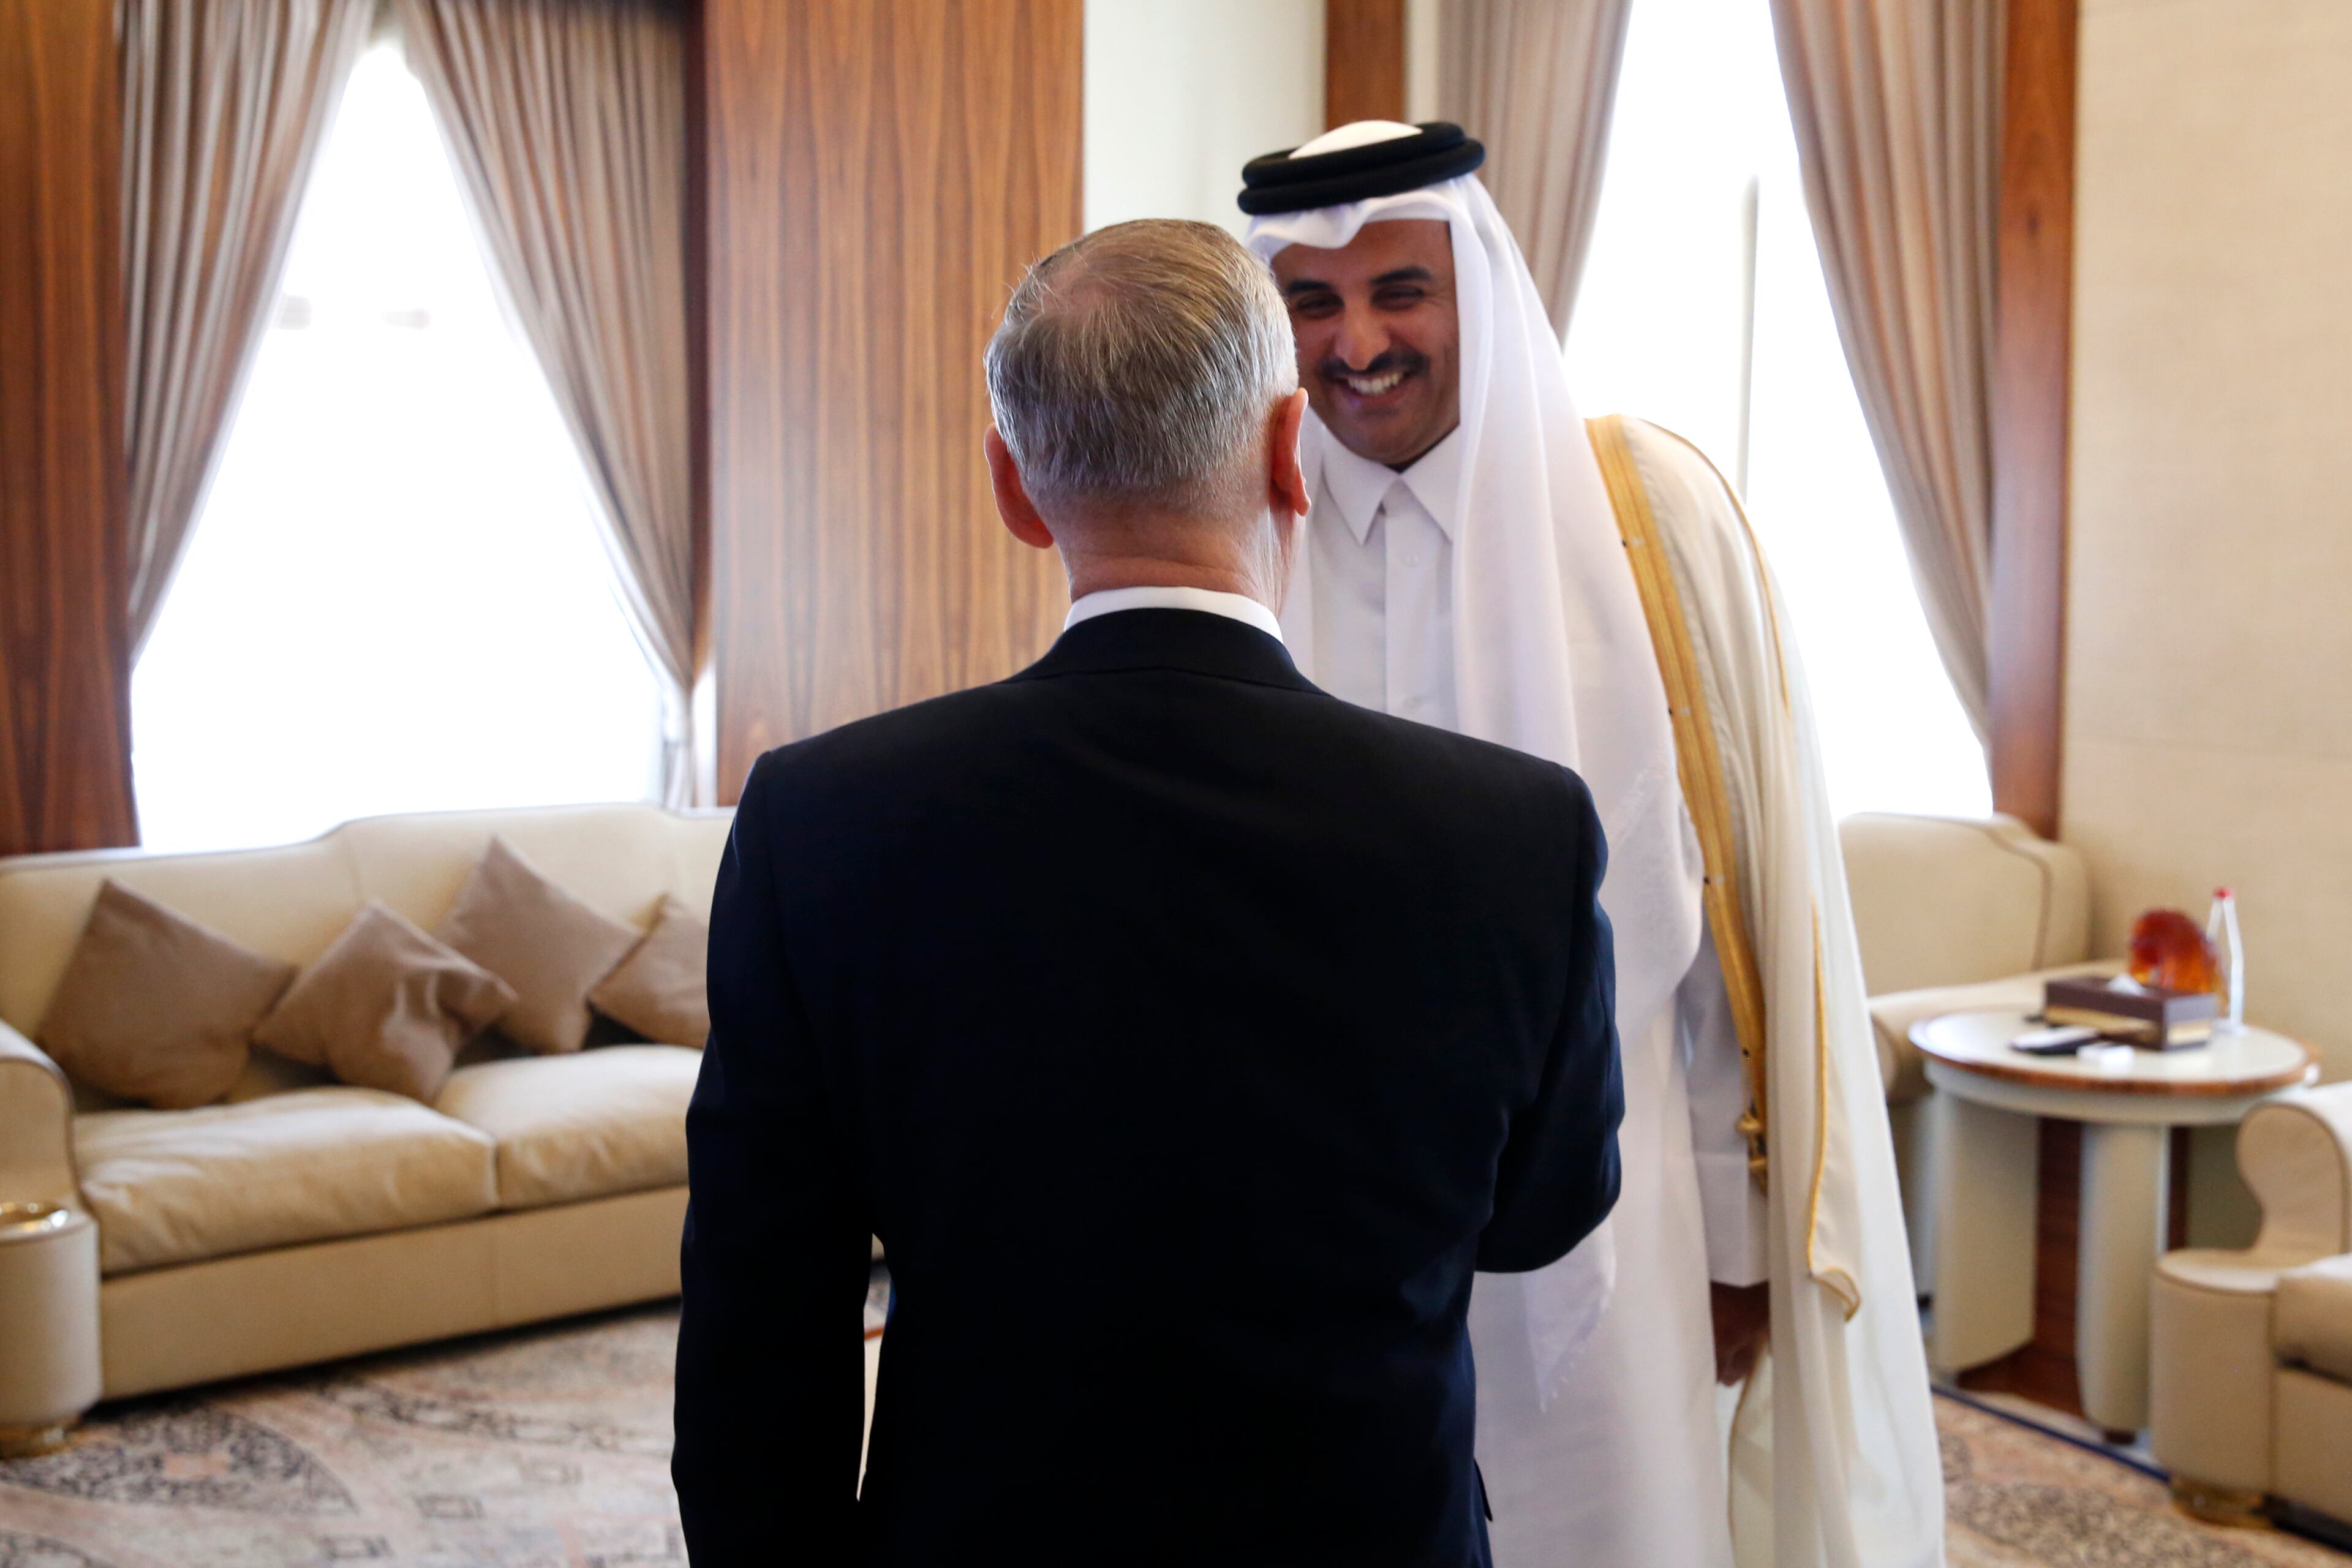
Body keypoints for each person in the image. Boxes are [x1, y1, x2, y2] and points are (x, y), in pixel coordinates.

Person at [671, 217, 1626, 1568]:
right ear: (1291, 452)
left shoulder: (821, 818)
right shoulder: (1518, 832)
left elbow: (762, 1313)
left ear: (1013, 485)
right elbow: (1542, 1213)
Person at [1237, 122, 1945, 1568]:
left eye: (1400, 291)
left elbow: (1722, 922)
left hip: (1614, 1217)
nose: (1357, 344)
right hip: (1316, 1222)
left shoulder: (1640, 516)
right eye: (1313, 302)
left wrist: (1740, 1245)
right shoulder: (1237, 522)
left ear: (1477, 288)